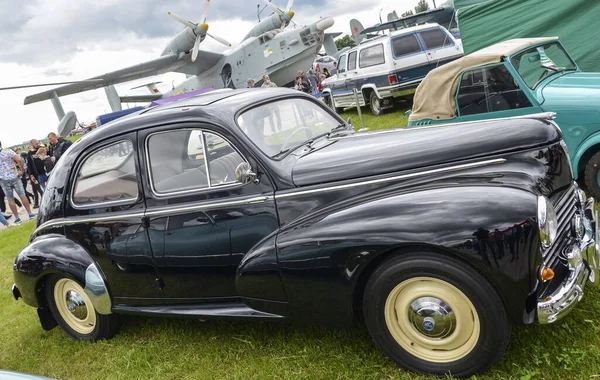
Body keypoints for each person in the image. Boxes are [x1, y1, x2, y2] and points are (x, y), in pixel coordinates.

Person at [0, 143, 35, 224]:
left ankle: (17, 218)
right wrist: (22, 170)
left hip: (3, 179)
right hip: (14, 175)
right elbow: (19, 160)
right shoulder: (8, 151)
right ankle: (30, 213)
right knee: (22, 195)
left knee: (10, 198)